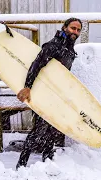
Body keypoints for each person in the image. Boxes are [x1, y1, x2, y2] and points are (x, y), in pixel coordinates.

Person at [15, 18, 82, 170]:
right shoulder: (53, 46)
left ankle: (47, 159)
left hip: (57, 95)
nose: (75, 32)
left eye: (78, 30)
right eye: (73, 28)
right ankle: (21, 164)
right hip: (44, 93)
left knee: (52, 129)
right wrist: (27, 87)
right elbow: (36, 65)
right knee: (40, 129)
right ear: (64, 27)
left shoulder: (69, 49)